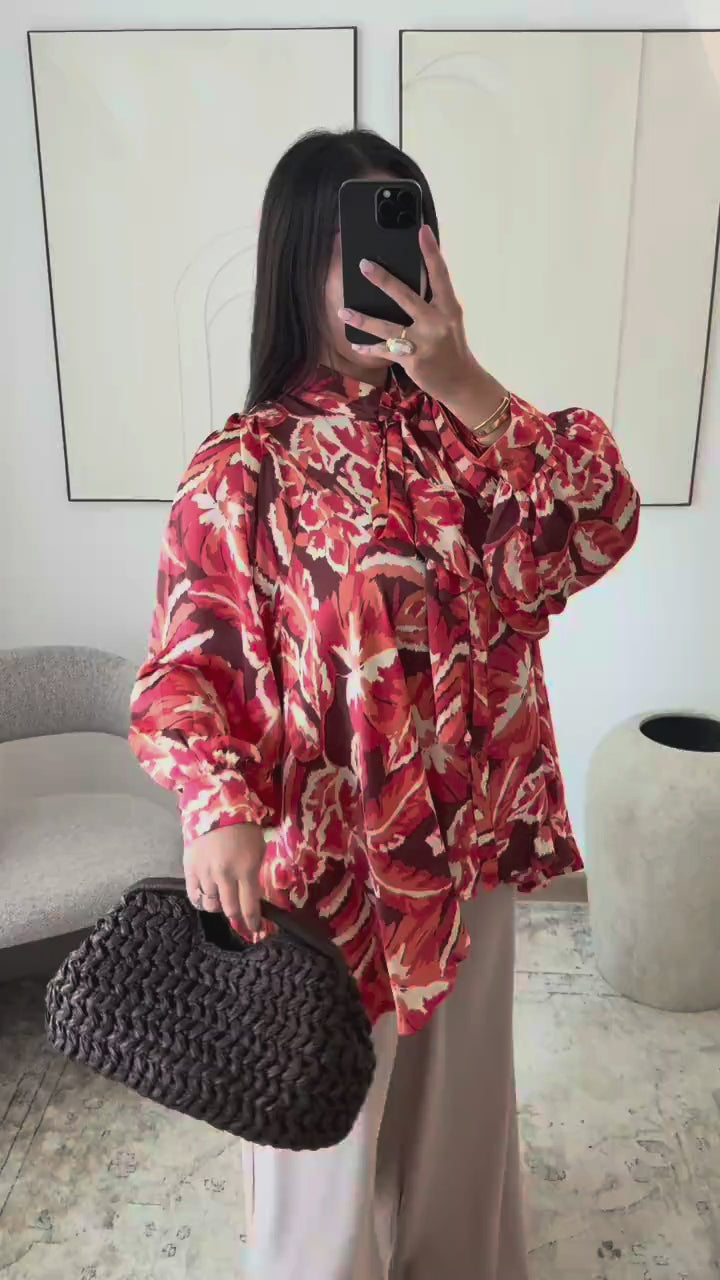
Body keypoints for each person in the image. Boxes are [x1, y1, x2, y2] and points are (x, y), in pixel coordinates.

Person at [129, 129, 639, 1280]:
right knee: (321, 1150)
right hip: (325, 872)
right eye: (352, 245)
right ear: (297, 258)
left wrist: (467, 381)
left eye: (407, 236)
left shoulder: (472, 438)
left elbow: (600, 517)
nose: (383, 268)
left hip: (469, 854)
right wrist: (217, 806)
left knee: (460, 1144)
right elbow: (189, 663)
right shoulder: (244, 463)